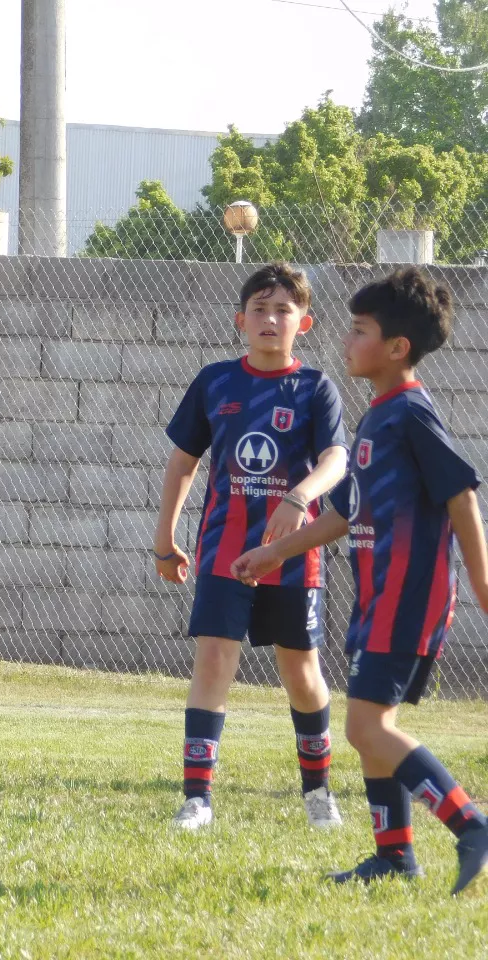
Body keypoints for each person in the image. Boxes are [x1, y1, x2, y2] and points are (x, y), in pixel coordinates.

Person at [234, 267, 488, 895]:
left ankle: (471, 825)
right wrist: (272, 554)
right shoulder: (377, 417)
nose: (346, 341)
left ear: (397, 347)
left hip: (408, 596)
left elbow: (461, 496)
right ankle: (393, 856)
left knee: (365, 728)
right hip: (379, 599)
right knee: (371, 724)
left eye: (359, 330)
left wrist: (485, 591)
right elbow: (345, 514)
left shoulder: (411, 414)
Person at [154, 263, 349, 830]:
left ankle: (318, 794)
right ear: (240, 320)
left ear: (304, 323)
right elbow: (183, 463)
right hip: (224, 554)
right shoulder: (215, 382)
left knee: (301, 672)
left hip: (294, 558)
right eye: (259, 309)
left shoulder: (316, 389)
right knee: (214, 660)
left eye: (283, 309)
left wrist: (299, 496)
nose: (270, 319)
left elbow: (336, 459)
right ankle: (197, 799)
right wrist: (165, 539)